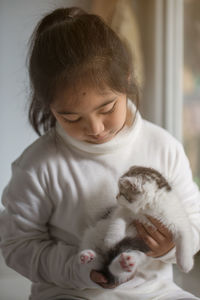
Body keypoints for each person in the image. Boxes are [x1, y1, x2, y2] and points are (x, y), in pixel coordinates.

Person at [0, 6, 200, 300]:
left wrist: (170, 247)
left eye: (107, 109)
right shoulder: (38, 165)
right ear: (48, 106)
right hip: (69, 293)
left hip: (155, 293)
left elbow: (194, 220)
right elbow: (17, 245)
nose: (95, 128)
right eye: (71, 117)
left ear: (127, 79)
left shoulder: (164, 146)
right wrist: (78, 269)